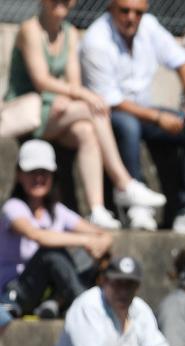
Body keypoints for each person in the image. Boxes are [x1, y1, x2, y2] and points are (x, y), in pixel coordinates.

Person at [5, 0, 166, 230]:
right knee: (93, 107)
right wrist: (77, 95)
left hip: (57, 112)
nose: (62, 2)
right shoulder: (29, 30)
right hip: (29, 113)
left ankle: (97, 209)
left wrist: (69, 96)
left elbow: (73, 81)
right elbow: (41, 81)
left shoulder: (70, 33)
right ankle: (123, 183)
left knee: (86, 131)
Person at [80, 0, 185, 234]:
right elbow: (111, 100)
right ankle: (136, 206)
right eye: (125, 11)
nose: (131, 17)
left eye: (138, 12)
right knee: (129, 126)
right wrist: (158, 117)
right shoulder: (95, 40)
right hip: (110, 115)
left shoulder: (149, 25)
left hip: (146, 111)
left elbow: (182, 62)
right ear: (111, 8)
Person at [0, 140, 112, 319]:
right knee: (51, 254)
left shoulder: (57, 210)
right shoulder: (13, 208)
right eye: (32, 172)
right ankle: (87, 307)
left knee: (88, 256)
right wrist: (87, 241)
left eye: (44, 172)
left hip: (50, 285)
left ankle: (57, 301)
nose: (39, 178)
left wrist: (103, 241)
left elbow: (100, 233)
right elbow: (37, 236)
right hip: (19, 290)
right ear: (19, 175)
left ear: (53, 176)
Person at [51, 255, 169, 346]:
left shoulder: (141, 309)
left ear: (137, 287)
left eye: (129, 285)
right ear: (103, 281)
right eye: (118, 284)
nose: (123, 292)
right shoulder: (88, 305)